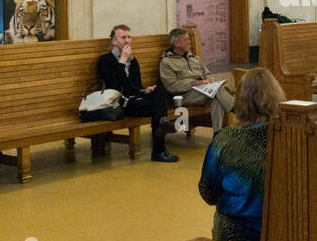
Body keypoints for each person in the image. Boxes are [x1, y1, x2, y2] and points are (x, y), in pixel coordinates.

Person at [198, 68, 285, 241]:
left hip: (235, 236)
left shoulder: (225, 140)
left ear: (240, 100)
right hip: (282, 234)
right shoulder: (288, 137)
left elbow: (208, 193)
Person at [96, 25, 177, 163]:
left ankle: (162, 121)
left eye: (129, 37)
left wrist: (145, 90)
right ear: (114, 41)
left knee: (160, 91)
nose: (127, 41)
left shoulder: (133, 61)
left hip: (134, 99)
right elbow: (114, 86)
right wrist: (122, 61)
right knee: (158, 109)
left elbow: (135, 87)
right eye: (123, 37)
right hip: (118, 103)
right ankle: (159, 150)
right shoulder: (105, 60)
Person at [160, 27, 235, 132]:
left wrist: (210, 83)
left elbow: (208, 74)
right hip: (185, 95)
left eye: (189, 40)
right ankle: (237, 109)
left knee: (217, 98)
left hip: (204, 91)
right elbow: (172, 86)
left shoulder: (195, 59)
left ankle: (217, 135)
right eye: (186, 40)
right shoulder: (167, 62)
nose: (189, 42)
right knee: (217, 92)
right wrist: (195, 83)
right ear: (176, 43)